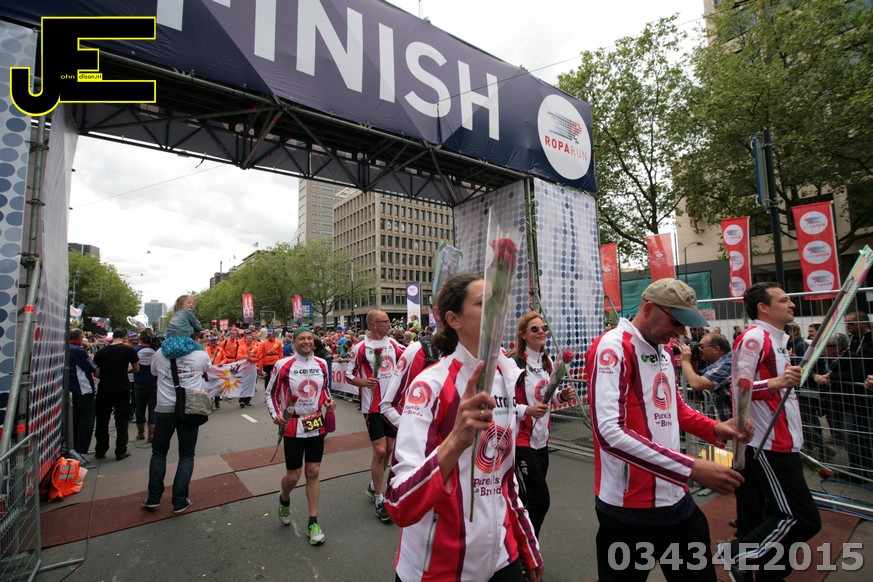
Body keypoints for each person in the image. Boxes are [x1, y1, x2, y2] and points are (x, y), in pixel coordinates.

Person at [586, 278, 751, 581]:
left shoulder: (663, 350)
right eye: (676, 321)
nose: (681, 332)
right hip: (629, 509)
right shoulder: (613, 347)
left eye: (685, 324)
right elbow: (609, 433)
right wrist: (690, 467)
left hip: (675, 497)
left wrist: (717, 428)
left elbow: (676, 409)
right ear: (649, 309)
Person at [385, 273, 543, 582]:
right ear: (454, 319)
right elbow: (399, 502)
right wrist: (455, 441)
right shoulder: (429, 386)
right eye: (484, 303)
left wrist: (526, 542)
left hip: (502, 559)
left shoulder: (506, 378)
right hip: (437, 570)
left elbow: (504, 478)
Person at [722, 282, 821, 581]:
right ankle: (737, 554)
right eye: (784, 300)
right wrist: (777, 382)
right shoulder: (754, 337)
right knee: (803, 518)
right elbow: (737, 388)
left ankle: (769, 572)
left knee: (778, 514)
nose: (792, 304)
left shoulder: (779, 339)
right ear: (763, 307)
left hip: (786, 442)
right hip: (769, 443)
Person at [265, 327, 336, 545]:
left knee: (313, 472)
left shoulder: (321, 363)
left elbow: (325, 389)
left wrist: (328, 401)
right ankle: (284, 498)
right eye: (302, 339)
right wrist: (276, 414)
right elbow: (270, 393)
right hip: (293, 425)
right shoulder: (282, 365)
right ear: (294, 342)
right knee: (294, 476)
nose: (306, 342)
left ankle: (313, 522)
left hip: (315, 423)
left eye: (309, 338)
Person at [508, 312, 576, 537]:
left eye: (543, 328)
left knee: (527, 499)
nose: (541, 332)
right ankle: (527, 547)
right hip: (521, 441)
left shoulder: (547, 362)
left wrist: (562, 396)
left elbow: (548, 396)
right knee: (539, 500)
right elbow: (501, 402)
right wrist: (526, 410)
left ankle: (519, 545)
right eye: (535, 329)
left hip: (541, 441)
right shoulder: (514, 363)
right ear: (523, 335)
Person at [346, 309, 405, 522]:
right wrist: (363, 382)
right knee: (379, 450)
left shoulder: (393, 344)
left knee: (389, 448)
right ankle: (380, 498)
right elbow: (348, 375)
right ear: (373, 325)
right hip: (372, 407)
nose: (389, 324)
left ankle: (374, 485)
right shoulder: (360, 348)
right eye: (385, 321)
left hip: (392, 406)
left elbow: (410, 358)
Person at [143, 334, 211, 513]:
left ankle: (153, 497)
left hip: (164, 408)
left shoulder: (159, 353)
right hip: (189, 408)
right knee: (186, 455)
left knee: (158, 453)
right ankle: (179, 500)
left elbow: (153, 372)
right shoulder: (200, 354)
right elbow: (208, 368)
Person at [828, 311, 873, 478]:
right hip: (852, 396)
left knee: (857, 434)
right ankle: (858, 470)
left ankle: (861, 470)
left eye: (851, 323)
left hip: (864, 394)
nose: (847, 326)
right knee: (853, 435)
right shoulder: (853, 340)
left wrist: (832, 376)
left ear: (863, 322)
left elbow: (857, 370)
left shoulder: (869, 340)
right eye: (846, 322)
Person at [93, 327, 140, 461]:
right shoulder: (129, 350)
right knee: (122, 420)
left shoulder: (101, 352)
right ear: (125, 337)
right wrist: (125, 371)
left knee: (102, 420)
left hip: (105, 388)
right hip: (122, 387)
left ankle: (100, 449)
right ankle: (121, 450)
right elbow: (136, 368)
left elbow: (97, 373)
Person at [679, 333, 733, 421]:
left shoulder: (729, 364)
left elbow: (697, 384)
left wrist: (685, 360)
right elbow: (697, 377)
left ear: (716, 349)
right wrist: (694, 359)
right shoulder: (718, 364)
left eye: (701, 347)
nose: (699, 350)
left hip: (742, 424)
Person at [68, 328, 97, 456]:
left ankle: (75, 448)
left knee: (74, 420)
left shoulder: (65, 348)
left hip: (70, 390)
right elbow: (92, 366)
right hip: (83, 390)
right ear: (80, 338)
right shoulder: (78, 350)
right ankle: (81, 450)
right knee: (86, 421)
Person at [133, 329, 160, 443]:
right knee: (153, 408)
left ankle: (140, 433)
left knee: (139, 407)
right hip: (153, 382)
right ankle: (151, 434)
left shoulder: (135, 350)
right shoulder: (156, 351)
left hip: (139, 382)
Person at [253, 328, 283, 407]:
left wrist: (282, 364)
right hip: (267, 363)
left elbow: (281, 353)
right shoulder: (263, 343)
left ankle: (277, 395)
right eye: (269, 335)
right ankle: (267, 396)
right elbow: (260, 355)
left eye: (271, 334)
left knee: (276, 379)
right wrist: (260, 366)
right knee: (267, 380)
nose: (270, 336)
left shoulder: (278, 342)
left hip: (276, 363)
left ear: (274, 334)